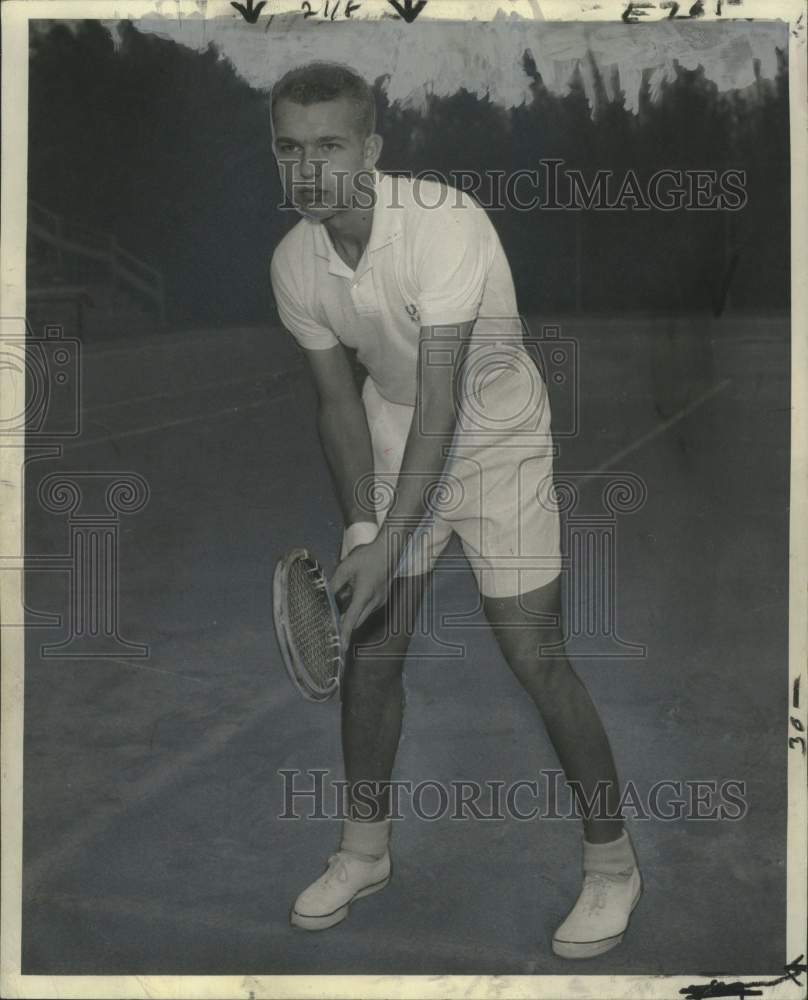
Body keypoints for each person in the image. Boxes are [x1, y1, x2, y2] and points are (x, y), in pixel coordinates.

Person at [269, 60, 641, 959]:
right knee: (373, 653)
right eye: (288, 149)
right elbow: (337, 403)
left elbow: (447, 406)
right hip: (399, 432)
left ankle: (613, 865)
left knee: (533, 653)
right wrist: (364, 531)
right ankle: (364, 853)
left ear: (373, 150)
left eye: (329, 146)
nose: (308, 169)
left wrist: (387, 540)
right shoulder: (294, 264)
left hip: (496, 430)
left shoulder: (443, 225)